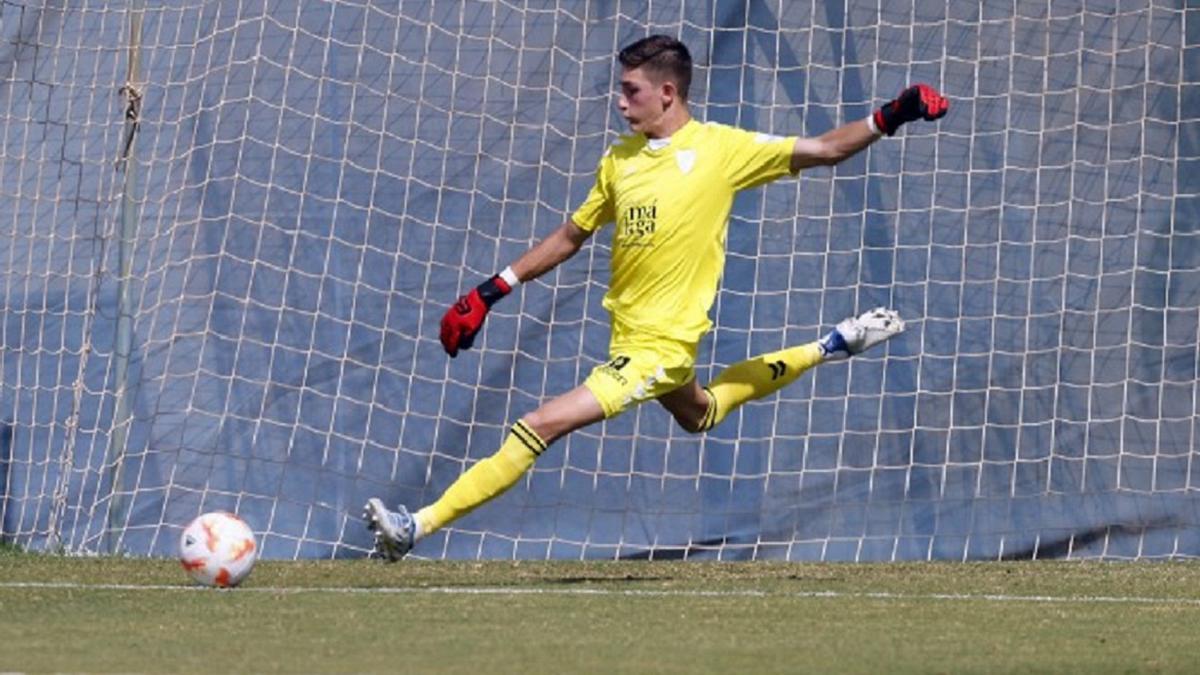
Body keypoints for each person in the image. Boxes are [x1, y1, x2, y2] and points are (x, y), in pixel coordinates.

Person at [365, 35, 948, 560]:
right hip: (629, 335)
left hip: (659, 347)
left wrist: (889, 115)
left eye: (630, 90)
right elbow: (572, 235)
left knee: (538, 423)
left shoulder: (722, 150)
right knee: (702, 413)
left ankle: (416, 525)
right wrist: (493, 289)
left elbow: (823, 148)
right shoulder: (620, 159)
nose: (620, 102)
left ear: (667, 93)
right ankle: (833, 344)